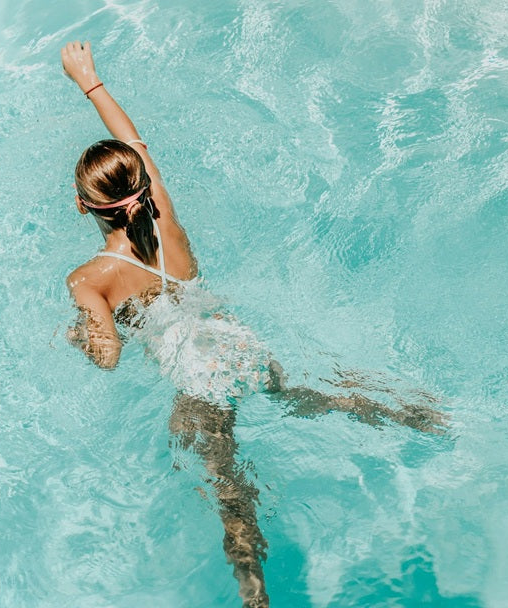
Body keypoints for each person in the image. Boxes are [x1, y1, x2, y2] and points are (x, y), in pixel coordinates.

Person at [60, 41, 445, 608]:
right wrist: (90, 82)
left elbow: (109, 356)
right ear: (143, 187)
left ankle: (255, 592)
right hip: (236, 342)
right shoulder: (162, 212)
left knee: (228, 487)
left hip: (196, 377)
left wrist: (80, 336)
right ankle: (412, 414)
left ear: (82, 206)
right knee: (301, 392)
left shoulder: (88, 279)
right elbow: (136, 143)